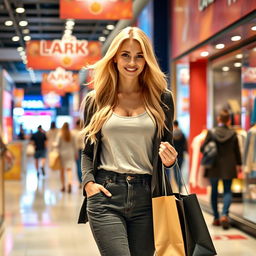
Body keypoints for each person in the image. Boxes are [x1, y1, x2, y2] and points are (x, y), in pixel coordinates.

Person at [78, 27, 177, 256]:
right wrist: (88, 184)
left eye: (139, 55)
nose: (132, 62)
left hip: (148, 196)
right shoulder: (97, 99)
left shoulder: (162, 98)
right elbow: (87, 152)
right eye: (125, 54)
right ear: (114, 58)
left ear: (147, 60)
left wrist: (171, 160)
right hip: (106, 194)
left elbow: (167, 148)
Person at [201, 109, 242, 230]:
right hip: (229, 166)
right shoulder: (233, 133)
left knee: (214, 191)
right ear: (229, 120)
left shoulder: (211, 132)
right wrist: (239, 164)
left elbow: (203, 149)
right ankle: (225, 215)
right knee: (227, 191)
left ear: (219, 119)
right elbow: (237, 151)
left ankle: (216, 218)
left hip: (214, 165)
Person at [56, 122, 77, 193]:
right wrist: (76, 153)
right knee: (69, 170)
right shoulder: (72, 134)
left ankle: (63, 186)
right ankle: (70, 183)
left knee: (62, 171)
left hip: (62, 154)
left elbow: (57, 145)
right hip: (70, 153)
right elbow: (75, 145)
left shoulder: (60, 134)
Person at [173, 120, 187, 192]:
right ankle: (180, 186)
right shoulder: (182, 134)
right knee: (179, 171)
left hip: (174, 156)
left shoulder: (172, 134)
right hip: (181, 155)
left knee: (175, 172)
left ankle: (179, 186)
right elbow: (185, 144)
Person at [72, 119, 83, 188]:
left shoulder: (74, 132)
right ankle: (82, 181)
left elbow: (75, 144)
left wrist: (75, 152)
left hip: (78, 150)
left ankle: (80, 181)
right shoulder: (84, 131)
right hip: (83, 150)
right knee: (83, 166)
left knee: (79, 166)